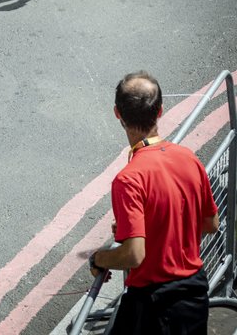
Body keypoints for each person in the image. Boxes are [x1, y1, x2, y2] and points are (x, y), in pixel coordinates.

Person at [88, 72, 219, 334]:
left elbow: (135, 254)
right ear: (160, 111)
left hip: (154, 307)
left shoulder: (129, 179)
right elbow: (211, 223)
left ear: (117, 114)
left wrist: (99, 258)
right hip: (194, 297)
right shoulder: (188, 159)